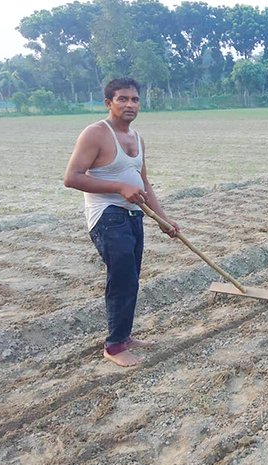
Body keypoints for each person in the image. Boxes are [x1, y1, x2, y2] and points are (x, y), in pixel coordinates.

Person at [63, 77, 180, 368]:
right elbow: (72, 177)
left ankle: (124, 336)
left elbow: (144, 183)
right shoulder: (95, 134)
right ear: (108, 103)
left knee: (131, 277)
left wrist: (163, 220)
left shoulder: (137, 138)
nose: (130, 104)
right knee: (122, 278)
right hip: (107, 216)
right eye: (123, 99)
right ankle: (114, 346)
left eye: (135, 99)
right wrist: (118, 187)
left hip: (134, 214)